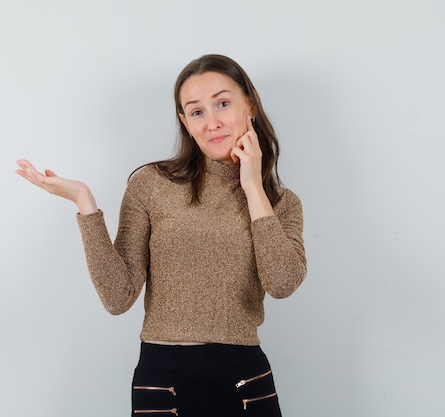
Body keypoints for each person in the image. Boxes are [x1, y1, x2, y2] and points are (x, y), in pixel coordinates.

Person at [15, 54, 307, 417]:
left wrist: (252, 186)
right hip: (163, 380)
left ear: (251, 103)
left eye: (223, 103)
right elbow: (118, 297)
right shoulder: (151, 185)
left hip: (244, 380)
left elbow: (281, 283)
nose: (212, 122)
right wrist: (84, 203)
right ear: (185, 122)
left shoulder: (280, 202)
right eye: (197, 112)